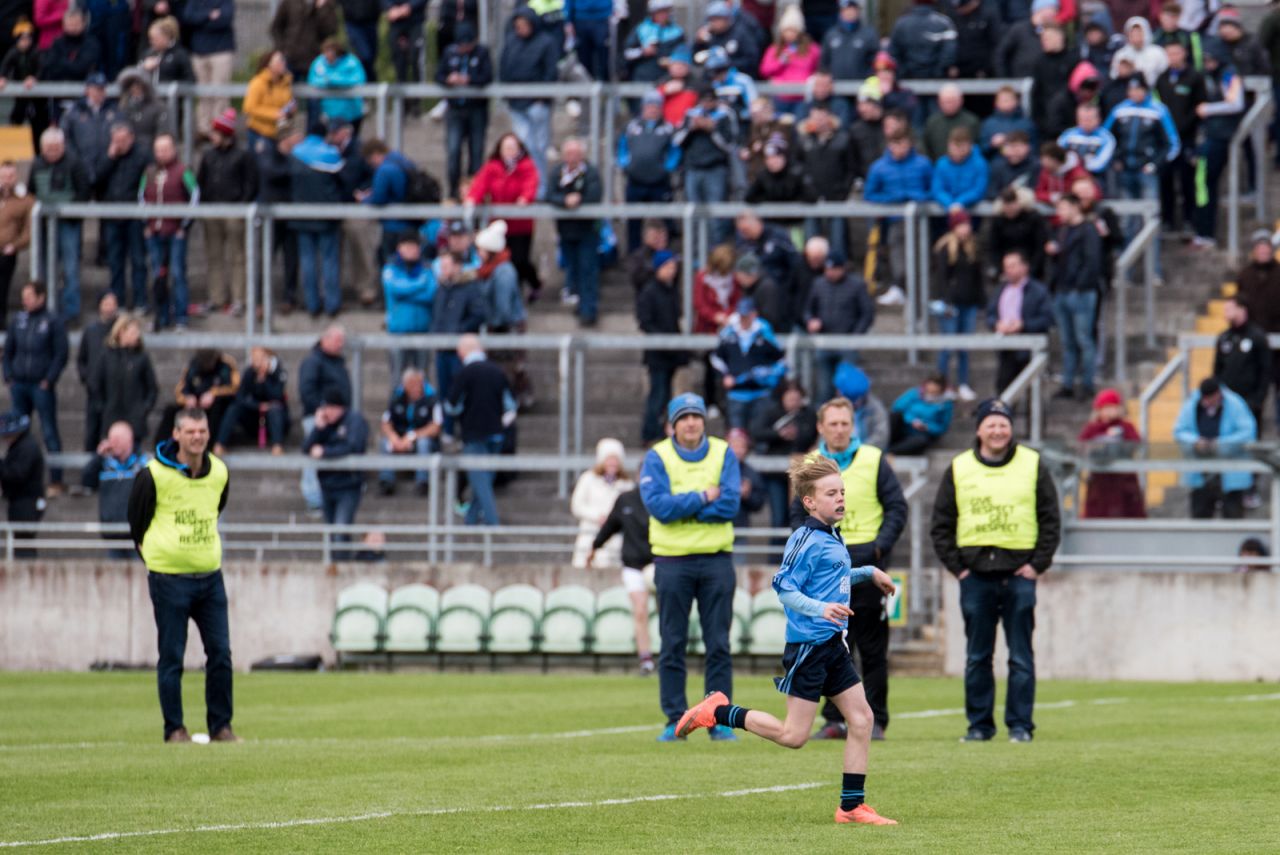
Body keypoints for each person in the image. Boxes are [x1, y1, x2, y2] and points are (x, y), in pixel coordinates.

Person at [675, 455, 898, 825]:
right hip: (809, 649)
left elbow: (834, 577)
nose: (840, 498)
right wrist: (819, 609)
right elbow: (784, 587)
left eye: (842, 491)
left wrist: (869, 572)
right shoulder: (805, 537)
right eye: (831, 493)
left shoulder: (831, 535)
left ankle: (851, 807)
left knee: (862, 720)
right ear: (809, 501)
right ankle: (717, 711)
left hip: (833, 647)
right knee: (794, 736)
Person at [930, 397, 1061, 743]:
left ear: (1011, 429)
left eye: (1004, 423)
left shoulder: (1032, 464)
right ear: (979, 429)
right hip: (975, 577)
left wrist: (1038, 565)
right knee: (977, 657)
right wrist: (958, 569)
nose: (998, 430)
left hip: (1019, 575)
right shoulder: (959, 468)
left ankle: (1020, 727)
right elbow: (941, 524)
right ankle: (979, 726)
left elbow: (1051, 519)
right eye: (992, 423)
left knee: (1020, 656)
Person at [788, 394, 905, 741]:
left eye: (845, 423)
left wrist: (880, 546)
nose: (839, 430)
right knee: (830, 645)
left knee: (872, 648)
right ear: (821, 427)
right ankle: (833, 719)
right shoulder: (810, 464)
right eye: (833, 424)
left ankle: (877, 719)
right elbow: (796, 513)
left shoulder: (874, 459)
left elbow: (897, 507)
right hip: (825, 571)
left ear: (853, 426)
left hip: (868, 563)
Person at [127, 407, 236, 743]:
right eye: (190, 431)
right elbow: (137, 521)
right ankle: (174, 728)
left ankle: (221, 726)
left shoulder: (218, 471)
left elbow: (216, 508)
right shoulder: (154, 474)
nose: (197, 437)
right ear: (176, 434)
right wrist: (155, 557)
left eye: (202, 431)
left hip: (209, 577)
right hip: (169, 579)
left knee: (220, 653)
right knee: (172, 655)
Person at [639, 393, 742, 742]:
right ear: (672, 424)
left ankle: (720, 719)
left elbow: (729, 504)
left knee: (718, 644)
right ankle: (675, 718)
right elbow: (659, 508)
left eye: (696, 415)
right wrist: (701, 498)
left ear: (703, 420)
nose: (691, 422)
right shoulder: (657, 457)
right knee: (672, 643)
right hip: (672, 562)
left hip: (716, 560)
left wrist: (684, 508)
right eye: (683, 417)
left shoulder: (722, 451)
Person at [444, 335, 516, 526]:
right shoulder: (497, 372)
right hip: (496, 435)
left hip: (474, 436)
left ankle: (493, 524)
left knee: (481, 483)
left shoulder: (464, 373)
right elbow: (510, 407)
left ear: (462, 351)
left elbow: (451, 406)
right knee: (483, 481)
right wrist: (498, 423)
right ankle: (470, 521)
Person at [3, 281, 67, 494]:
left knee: (49, 431)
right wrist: (9, 375)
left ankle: (56, 480)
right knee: (16, 433)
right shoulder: (18, 320)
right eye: (24, 296)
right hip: (19, 384)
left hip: (41, 385)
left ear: (41, 297)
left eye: (29, 296)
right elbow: (8, 349)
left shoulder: (52, 321)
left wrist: (49, 379)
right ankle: (13, 478)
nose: (25, 300)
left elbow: (61, 353)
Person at [467, 134, 543, 300]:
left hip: (521, 225)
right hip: (499, 225)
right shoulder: (492, 167)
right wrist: (473, 198)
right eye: (506, 148)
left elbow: (531, 184)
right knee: (500, 261)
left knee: (520, 260)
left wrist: (525, 198)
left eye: (513, 148)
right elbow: (480, 185)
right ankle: (507, 295)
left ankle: (527, 287)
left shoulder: (527, 166)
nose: (509, 151)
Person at [589, 486, 656, 675]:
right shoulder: (626, 500)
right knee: (640, 610)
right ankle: (646, 660)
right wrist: (594, 547)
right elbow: (610, 525)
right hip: (633, 566)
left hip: (660, 564)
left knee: (666, 614)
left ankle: (670, 657)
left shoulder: (664, 497)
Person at [197, 109, 258, 316]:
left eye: (215, 133)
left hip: (234, 210)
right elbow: (201, 181)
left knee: (237, 257)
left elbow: (250, 184)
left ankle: (239, 298)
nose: (212, 137)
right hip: (212, 210)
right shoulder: (208, 155)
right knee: (214, 256)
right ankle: (216, 297)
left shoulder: (243, 156)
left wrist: (241, 204)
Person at [863, 133, 932, 308]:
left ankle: (916, 301)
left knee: (920, 263)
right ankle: (902, 291)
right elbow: (870, 194)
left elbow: (932, 190)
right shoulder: (879, 167)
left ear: (910, 144)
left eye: (903, 144)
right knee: (899, 263)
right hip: (894, 222)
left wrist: (915, 197)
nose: (900, 149)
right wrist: (891, 199)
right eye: (896, 144)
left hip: (919, 221)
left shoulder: (922, 164)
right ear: (889, 145)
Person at [29, 128, 90, 326]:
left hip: (68, 224)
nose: (52, 152)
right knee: (44, 267)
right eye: (48, 148)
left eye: (56, 148)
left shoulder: (75, 163)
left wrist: (68, 210)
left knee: (70, 268)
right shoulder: (37, 164)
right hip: (44, 226)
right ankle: (45, 307)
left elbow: (84, 192)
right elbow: (31, 192)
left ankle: (71, 312)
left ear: (63, 146)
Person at [1047, 193, 1104, 400]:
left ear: (1074, 207)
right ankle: (1068, 383)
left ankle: (1087, 383)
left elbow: (1092, 261)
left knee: (1084, 339)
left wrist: (1080, 285)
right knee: (1067, 342)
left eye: (1063, 208)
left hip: (1080, 292)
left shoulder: (1088, 230)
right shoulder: (1061, 231)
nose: (1060, 213)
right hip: (1062, 291)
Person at [1174, 377, 1257, 519]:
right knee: (1200, 516)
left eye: (1210, 399)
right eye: (1204, 399)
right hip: (1202, 473)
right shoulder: (1192, 404)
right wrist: (1195, 441)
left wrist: (1220, 444)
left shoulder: (1235, 404)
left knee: (1233, 517)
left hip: (1230, 472)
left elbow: (1248, 432)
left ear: (1218, 394)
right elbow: (1179, 431)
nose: (1206, 403)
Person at [140, 134, 198, 331]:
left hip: (175, 233)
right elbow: (141, 197)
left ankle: (181, 316)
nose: (162, 154)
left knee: (177, 273)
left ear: (174, 150)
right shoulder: (148, 172)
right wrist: (146, 223)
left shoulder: (183, 171)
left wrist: (184, 226)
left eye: (165, 149)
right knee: (158, 275)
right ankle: (161, 316)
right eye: (158, 150)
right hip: (154, 232)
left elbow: (195, 197)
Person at [498, 8, 558, 196]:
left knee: (539, 147)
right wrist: (507, 93)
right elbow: (504, 67)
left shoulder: (546, 42)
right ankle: (525, 188)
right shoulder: (511, 42)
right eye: (518, 26)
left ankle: (541, 187)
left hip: (538, 104)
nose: (521, 29)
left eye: (524, 25)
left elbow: (551, 71)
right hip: (517, 104)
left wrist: (543, 97)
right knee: (525, 146)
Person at [303, 387, 369, 559]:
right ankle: (336, 564)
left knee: (340, 530)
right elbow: (306, 449)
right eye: (326, 408)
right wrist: (318, 428)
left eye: (332, 408)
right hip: (327, 485)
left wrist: (325, 451)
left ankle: (342, 566)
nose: (329, 412)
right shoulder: (325, 424)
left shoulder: (354, 421)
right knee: (332, 533)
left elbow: (353, 446)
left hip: (348, 486)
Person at [546, 138, 604, 327]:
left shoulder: (591, 173)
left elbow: (595, 195)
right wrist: (565, 200)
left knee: (588, 269)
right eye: (569, 154)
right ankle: (579, 303)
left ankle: (589, 310)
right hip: (566, 230)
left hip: (587, 230)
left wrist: (579, 200)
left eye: (576, 154)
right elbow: (549, 195)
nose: (572, 158)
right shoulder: (557, 173)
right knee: (573, 269)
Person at [804, 251, 874, 404]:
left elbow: (867, 313)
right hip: (824, 342)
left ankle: (847, 421)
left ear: (843, 268)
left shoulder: (857, 285)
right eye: (827, 269)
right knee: (824, 388)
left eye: (834, 269)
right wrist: (811, 320)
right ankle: (822, 423)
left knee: (846, 387)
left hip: (847, 343)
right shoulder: (819, 284)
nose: (830, 273)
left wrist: (856, 335)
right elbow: (809, 309)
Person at [96, 122, 150, 313]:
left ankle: (140, 301)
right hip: (112, 217)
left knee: (138, 261)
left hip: (135, 217)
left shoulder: (143, 155)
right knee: (115, 262)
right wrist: (110, 158)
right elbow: (95, 179)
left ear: (131, 138)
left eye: (123, 140)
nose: (120, 144)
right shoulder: (107, 155)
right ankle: (116, 302)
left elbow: (148, 184)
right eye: (116, 140)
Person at [673, 85, 737, 246]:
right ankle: (694, 257)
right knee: (693, 216)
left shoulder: (724, 115)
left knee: (715, 218)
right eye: (704, 100)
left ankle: (715, 255)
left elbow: (729, 146)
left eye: (710, 100)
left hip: (715, 170)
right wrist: (691, 129)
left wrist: (712, 130)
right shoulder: (691, 114)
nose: (707, 104)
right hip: (693, 170)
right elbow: (677, 141)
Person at [711, 297, 786, 431]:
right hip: (736, 394)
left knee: (759, 431)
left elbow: (780, 361)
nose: (744, 319)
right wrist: (725, 375)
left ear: (754, 314)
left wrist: (767, 374)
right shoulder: (729, 334)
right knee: (736, 433)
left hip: (761, 393)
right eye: (741, 315)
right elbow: (717, 358)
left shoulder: (764, 333)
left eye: (747, 315)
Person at [298, 325, 351, 513]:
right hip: (318, 417)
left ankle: (335, 495)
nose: (340, 345)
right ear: (325, 339)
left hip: (337, 419)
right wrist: (323, 410)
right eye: (337, 341)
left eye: (342, 342)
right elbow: (307, 390)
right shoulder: (314, 362)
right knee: (313, 454)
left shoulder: (337, 362)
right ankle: (313, 498)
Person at [436, 22, 492, 199]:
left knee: (476, 154)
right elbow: (438, 75)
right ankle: (454, 192)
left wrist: (468, 79)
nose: (465, 48)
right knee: (453, 151)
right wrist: (448, 79)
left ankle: (473, 193)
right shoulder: (449, 53)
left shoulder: (482, 53)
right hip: (455, 110)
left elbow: (487, 77)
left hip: (477, 110)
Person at [618, 90, 679, 253]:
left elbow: (675, 151)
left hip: (659, 182)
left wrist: (667, 168)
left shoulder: (668, 128)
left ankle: (664, 255)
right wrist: (626, 164)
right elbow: (621, 147)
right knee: (634, 222)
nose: (652, 109)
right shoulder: (631, 127)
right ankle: (634, 255)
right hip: (635, 181)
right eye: (649, 106)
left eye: (656, 106)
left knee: (664, 220)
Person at [637, 251, 688, 444]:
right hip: (657, 354)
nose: (672, 271)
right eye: (668, 267)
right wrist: (663, 341)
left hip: (671, 353)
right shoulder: (650, 292)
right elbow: (645, 322)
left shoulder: (671, 291)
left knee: (665, 395)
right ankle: (650, 432)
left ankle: (659, 430)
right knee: (657, 395)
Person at [932, 210, 983, 401]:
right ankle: (941, 384)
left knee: (964, 347)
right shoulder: (945, 248)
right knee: (947, 346)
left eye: (967, 224)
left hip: (968, 303)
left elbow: (978, 276)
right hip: (950, 305)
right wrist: (945, 301)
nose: (965, 229)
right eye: (961, 225)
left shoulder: (973, 247)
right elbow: (940, 279)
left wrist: (980, 300)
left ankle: (963, 383)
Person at [987, 251, 1054, 392]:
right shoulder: (1000, 290)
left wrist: (1023, 325)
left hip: (1029, 349)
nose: (1008, 270)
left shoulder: (1038, 291)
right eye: (1006, 267)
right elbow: (990, 315)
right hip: (1006, 348)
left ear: (1024, 267)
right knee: (1003, 391)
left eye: (1012, 266)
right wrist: (996, 324)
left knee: (1032, 393)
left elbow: (1047, 319)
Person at [89, 313, 157, 447]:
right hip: (111, 420)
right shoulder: (106, 356)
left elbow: (152, 388)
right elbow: (95, 384)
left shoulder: (142, 358)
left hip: (135, 422)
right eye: (133, 332)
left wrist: (143, 410)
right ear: (121, 332)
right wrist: (102, 408)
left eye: (137, 332)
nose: (137, 335)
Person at [1077, 387, 1146, 519]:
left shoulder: (1126, 427)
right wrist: (1102, 438)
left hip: (1124, 480)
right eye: (1106, 408)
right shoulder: (1092, 428)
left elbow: (1135, 443)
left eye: (1112, 407)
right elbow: (1082, 445)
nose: (1109, 411)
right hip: (1100, 481)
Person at [83, 420, 147, 558]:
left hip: (137, 537)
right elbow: (86, 481)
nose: (112, 443)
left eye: (116, 439)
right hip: (111, 534)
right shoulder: (104, 464)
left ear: (129, 440)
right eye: (110, 439)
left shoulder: (143, 465)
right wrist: (98, 457)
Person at [213, 346, 289, 456]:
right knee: (235, 407)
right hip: (254, 416)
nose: (257, 362)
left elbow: (277, 396)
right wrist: (258, 406)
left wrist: (265, 380)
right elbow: (240, 396)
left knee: (275, 408)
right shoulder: (250, 373)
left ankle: (277, 445)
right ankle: (220, 444)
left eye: (260, 358)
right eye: (255, 358)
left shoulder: (278, 372)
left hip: (275, 417)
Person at [376, 367, 441, 496]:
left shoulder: (432, 399)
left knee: (424, 443)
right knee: (384, 442)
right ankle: (386, 481)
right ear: (405, 385)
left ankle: (422, 482)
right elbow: (386, 422)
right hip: (400, 439)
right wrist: (393, 437)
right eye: (411, 385)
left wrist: (413, 436)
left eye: (418, 384)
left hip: (422, 440)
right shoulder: (397, 398)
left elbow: (436, 427)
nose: (415, 388)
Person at [572, 437, 635, 568]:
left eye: (616, 459)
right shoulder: (588, 479)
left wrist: (614, 520)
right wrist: (597, 516)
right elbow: (577, 505)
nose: (613, 463)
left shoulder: (626, 484)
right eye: (609, 459)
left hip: (615, 538)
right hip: (590, 534)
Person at [380, 232, 435, 378]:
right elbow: (396, 289)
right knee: (397, 377)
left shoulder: (427, 268)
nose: (412, 250)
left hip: (422, 331)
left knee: (423, 378)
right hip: (398, 332)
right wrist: (420, 284)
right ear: (399, 248)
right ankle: (397, 401)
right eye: (408, 246)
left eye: (415, 246)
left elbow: (431, 294)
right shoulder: (390, 269)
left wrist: (406, 295)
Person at [155, 348, 239, 444]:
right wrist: (187, 398)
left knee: (218, 409)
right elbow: (181, 389)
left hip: (216, 404)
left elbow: (234, 388)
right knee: (170, 410)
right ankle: (162, 445)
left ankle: (209, 445)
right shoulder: (193, 365)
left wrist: (214, 393)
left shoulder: (225, 365)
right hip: (195, 404)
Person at [1213, 296, 1271, 433]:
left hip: (1249, 402)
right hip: (1226, 403)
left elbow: (1266, 370)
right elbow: (1217, 369)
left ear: (1242, 310)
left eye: (1229, 309)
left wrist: (1258, 400)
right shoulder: (1224, 337)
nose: (1225, 312)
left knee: (1250, 440)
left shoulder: (1257, 336)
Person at [181, 0, 234, 136]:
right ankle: (204, 130)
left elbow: (225, 19)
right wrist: (209, 15)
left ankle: (220, 129)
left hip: (221, 51)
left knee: (220, 92)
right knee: (203, 93)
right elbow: (188, 18)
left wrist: (201, 19)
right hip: (199, 51)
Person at [760, 6, 821, 116]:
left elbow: (818, 69)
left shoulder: (812, 49)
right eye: (786, 30)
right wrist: (780, 62)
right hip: (780, 97)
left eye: (793, 30)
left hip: (802, 97)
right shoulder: (774, 49)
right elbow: (764, 70)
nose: (789, 34)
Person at [0, 412, 45, 558]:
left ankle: (27, 571)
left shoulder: (27, 447)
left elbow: (17, 474)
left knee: (23, 541)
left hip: (26, 502)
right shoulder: (20, 446)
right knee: (20, 541)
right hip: (19, 500)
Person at [307, 36, 366, 139]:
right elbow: (313, 81)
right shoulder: (319, 62)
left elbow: (358, 80)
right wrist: (326, 82)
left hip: (351, 113)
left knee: (349, 142)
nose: (328, 57)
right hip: (329, 113)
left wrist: (334, 81)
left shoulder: (351, 62)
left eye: (331, 54)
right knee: (332, 142)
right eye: (326, 53)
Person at [242, 51, 296, 156]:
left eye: (283, 60)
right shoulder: (258, 82)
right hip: (259, 133)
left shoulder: (285, 83)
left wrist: (291, 111)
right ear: (269, 65)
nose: (283, 63)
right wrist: (275, 114)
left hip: (279, 134)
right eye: (279, 61)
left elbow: (287, 103)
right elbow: (249, 108)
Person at [269, 0, 338, 80]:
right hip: (290, 59)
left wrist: (322, 9)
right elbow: (276, 28)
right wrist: (282, 50)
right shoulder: (289, 2)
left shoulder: (326, 4)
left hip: (315, 61)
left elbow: (330, 30)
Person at [0, 160, 33, 326]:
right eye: (4, 175)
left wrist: (16, 245)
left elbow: (29, 230)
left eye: (10, 175)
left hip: (6, 253)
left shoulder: (24, 200)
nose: (7, 179)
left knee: (2, 290)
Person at [889, 0, 956, 80]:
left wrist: (904, 72)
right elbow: (949, 54)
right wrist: (938, 72)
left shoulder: (901, 24)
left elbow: (893, 53)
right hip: (937, 81)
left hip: (908, 79)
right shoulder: (944, 23)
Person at [623, 0, 685, 85]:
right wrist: (642, 52)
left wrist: (674, 61)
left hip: (667, 80)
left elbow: (684, 53)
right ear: (652, 13)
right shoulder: (641, 29)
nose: (663, 15)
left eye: (666, 11)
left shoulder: (677, 32)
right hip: (643, 78)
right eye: (660, 11)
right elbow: (627, 54)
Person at [889, 375, 954, 455]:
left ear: (941, 391)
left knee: (921, 441)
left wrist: (927, 427)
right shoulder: (914, 393)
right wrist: (911, 420)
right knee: (894, 417)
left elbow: (942, 427)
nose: (930, 394)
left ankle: (889, 451)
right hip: (904, 427)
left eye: (934, 392)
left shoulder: (945, 404)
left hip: (921, 434)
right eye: (929, 390)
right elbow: (897, 408)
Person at [931, 127, 989, 213]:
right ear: (948, 145)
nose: (958, 151)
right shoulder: (941, 164)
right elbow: (937, 190)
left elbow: (978, 190)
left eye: (962, 147)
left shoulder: (980, 164)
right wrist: (950, 204)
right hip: (945, 213)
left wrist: (960, 202)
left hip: (972, 214)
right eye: (955, 146)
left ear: (970, 146)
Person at [820, 0, 878, 81]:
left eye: (852, 9)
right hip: (836, 88)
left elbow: (875, 60)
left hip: (862, 87)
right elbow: (824, 62)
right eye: (846, 9)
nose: (849, 12)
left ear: (858, 11)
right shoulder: (831, 34)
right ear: (840, 12)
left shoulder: (868, 34)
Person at [922, 84, 981, 163]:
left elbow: (977, 148)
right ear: (939, 102)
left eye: (952, 101)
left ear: (961, 101)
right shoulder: (932, 122)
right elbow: (925, 146)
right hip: (937, 168)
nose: (948, 105)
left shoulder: (971, 121)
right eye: (945, 101)